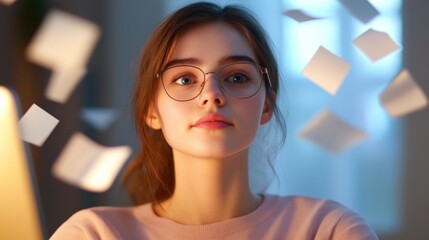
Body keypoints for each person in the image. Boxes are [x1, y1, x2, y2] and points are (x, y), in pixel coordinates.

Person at [51, 2, 378, 239]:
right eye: (184, 79)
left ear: (266, 107)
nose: (212, 95)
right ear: (152, 111)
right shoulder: (93, 233)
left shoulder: (328, 229)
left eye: (236, 77)